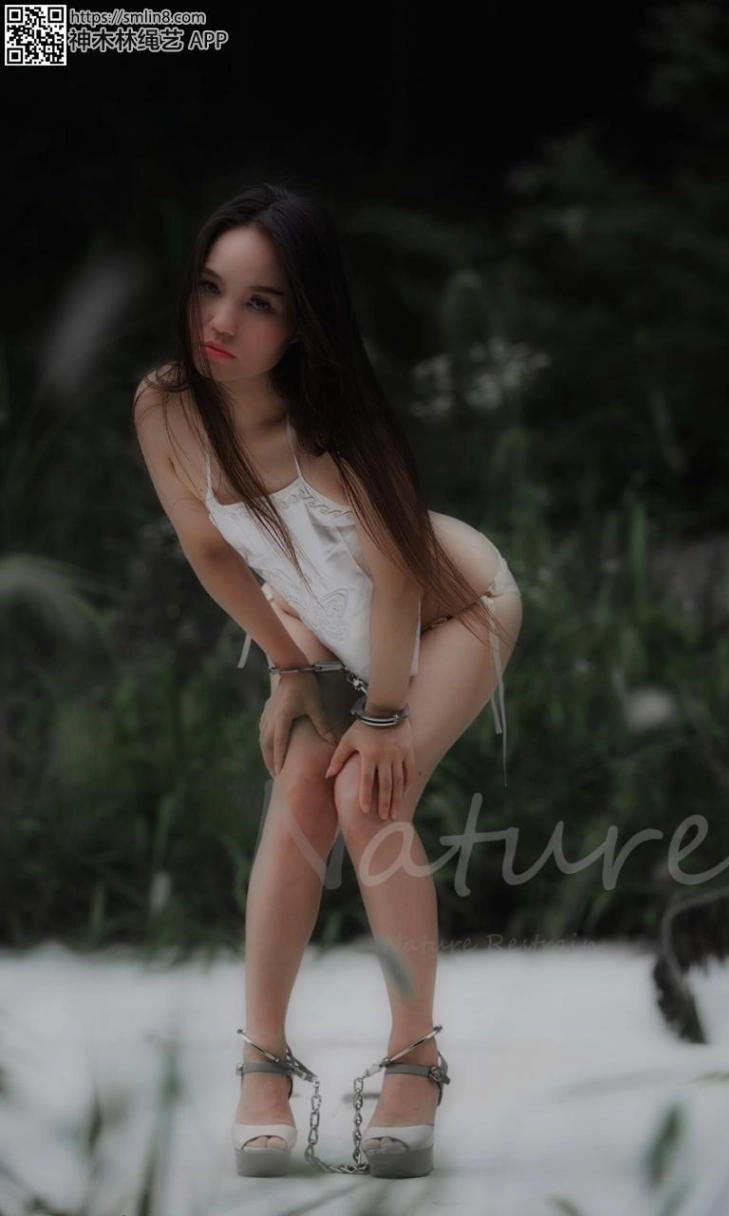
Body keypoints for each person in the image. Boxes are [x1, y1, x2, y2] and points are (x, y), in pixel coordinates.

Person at [132, 182, 523, 1179]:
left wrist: (385, 717)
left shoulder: (340, 429)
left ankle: (415, 1059)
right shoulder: (166, 407)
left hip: (451, 607)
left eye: (260, 302)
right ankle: (262, 1062)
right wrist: (289, 665)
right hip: (325, 617)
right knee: (301, 790)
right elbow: (212, 552)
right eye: (211, 287)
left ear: (304, 319)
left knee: (364, 793)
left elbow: (397, 581)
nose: (222, 321)